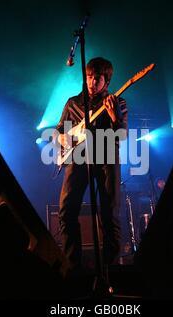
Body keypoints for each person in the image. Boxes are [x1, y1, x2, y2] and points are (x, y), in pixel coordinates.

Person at [55, 57, 128, 278]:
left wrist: (114, 115)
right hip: (78, 159)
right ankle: (73, 270)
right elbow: (59, 132)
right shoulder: (73, 103)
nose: (92, 82)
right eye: (89, 77)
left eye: (97, 78)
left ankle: (110, 273)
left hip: (106, 160)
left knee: (108, 215)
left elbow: (122, 135)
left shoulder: (118, 102)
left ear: (107, 81)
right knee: (66, 212)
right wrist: (65, 140)